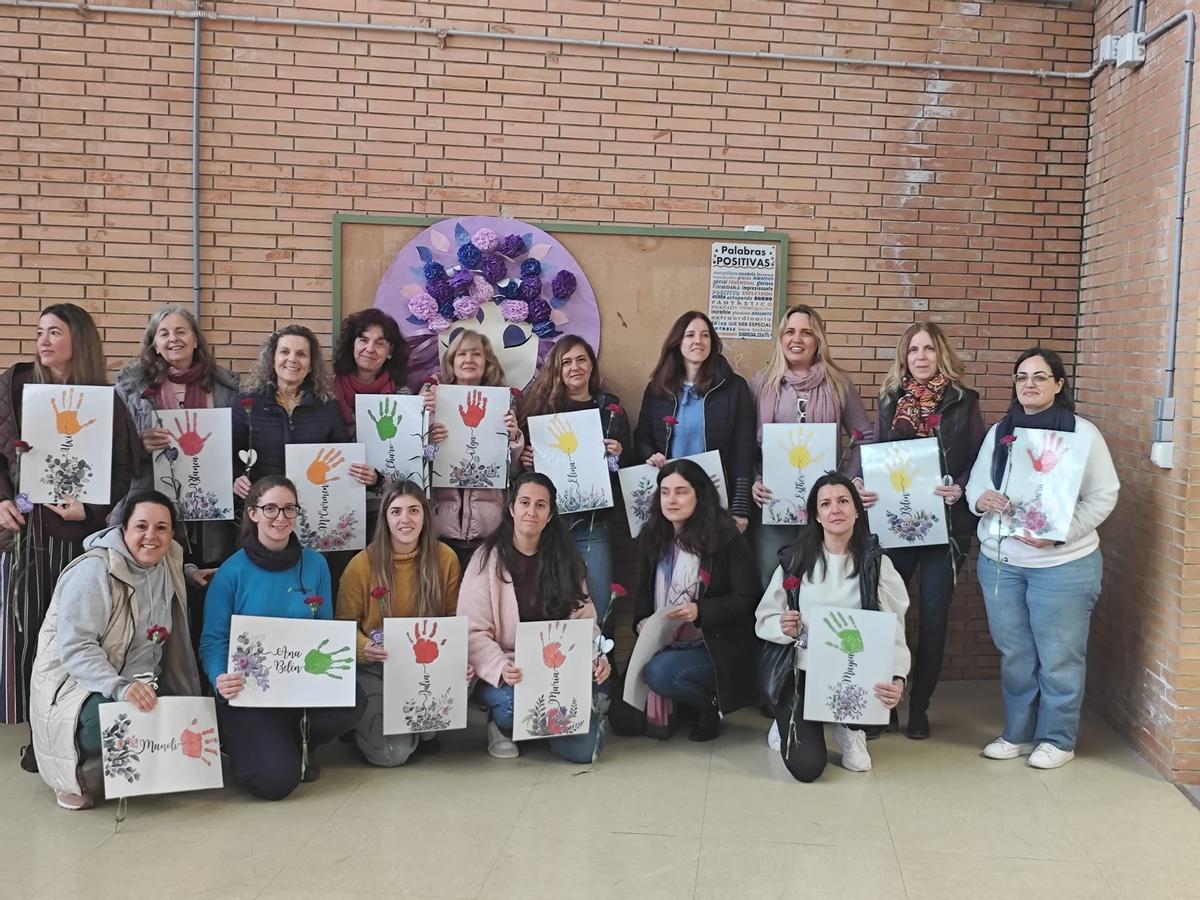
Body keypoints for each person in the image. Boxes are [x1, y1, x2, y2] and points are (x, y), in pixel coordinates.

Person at [966, 348, 1118, 770]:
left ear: (1058, 383)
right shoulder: (1001, 431)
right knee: (1016, 655)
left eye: (1039, 376)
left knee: (1059, 657)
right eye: (1021, 377)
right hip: (1002, 563)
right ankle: (1017, 733)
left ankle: (1057, 738)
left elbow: (1104, 494)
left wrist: (1061, 534)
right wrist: (982, 499)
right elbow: (975, 485)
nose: (1028, 384)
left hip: (1062, 567)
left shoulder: (1082, 434)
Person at [0, 304, 140, 762]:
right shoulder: (15, 386)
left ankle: (65, 727)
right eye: (40, 331)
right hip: (26, 528)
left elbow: (123, 468)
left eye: (55, 332)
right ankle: (36, 731)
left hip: (78, 537)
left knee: (71, 634)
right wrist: (3, 500)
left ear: (78, 339)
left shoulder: (104, 399)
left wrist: (92, 509)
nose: (43, 340)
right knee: (24, 633)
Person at [28, 490, 201, 809]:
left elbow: (175, 565)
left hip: (143, 678)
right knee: (107, 723)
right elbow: (77, 648)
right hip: (82, 685)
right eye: (141, 526)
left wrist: (191, 575)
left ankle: (125, 761)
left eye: (161, 528)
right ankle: (79, 768)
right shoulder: (93, 572)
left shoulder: (168, 558)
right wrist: (121, 688)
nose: (151, 536)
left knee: (188, 717)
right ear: (123, 529)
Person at [200, 475, 366, 800]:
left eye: (289, 509)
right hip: (249, 693)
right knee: (274, 784)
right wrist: (220, 678)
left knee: (352, 698)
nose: (280, 517)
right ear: (253, 513)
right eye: (270, 508)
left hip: (298, 686)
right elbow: (213, 640)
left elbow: (325, 629)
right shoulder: (231, 573)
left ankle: (299, 741)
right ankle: (243, 742)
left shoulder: (315, 565)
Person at [857, 321, 984, 740]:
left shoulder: (964, 401)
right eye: (913, 350)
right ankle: (885, 704)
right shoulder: (889, 400)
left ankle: (919, 707)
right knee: (887, 616)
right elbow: (874, 451)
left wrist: (960, 486)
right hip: (895, 527)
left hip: (945, 531)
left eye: (928, 348)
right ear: (904, 356)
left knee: (933, 618)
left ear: (940, 353)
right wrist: (862, 484)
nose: (921, 356)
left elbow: (979, 458)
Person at [755, 473, 910, 782]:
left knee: (861, 753)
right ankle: (786, 719)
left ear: (857, 511)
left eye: (843, 501)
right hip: (801, 672)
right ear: (816, 515)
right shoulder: (795, 561)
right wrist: (783, 627)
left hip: (854, 673)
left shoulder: (877, 565)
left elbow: (893, 629)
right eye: (825, 504)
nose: (835, 509)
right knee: (807, 768)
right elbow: (765, 617)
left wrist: (898, 678)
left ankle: (848, 728)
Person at [114, 303, 242, 652]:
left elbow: (241, 444)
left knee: (207, 599)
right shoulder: (130, 387)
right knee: (160, 595)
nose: (173, 339)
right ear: (154, 344)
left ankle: (205, 671)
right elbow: (112, 448)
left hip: (211, 516)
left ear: (196, 339)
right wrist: (140, 445)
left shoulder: (226, 388)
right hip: (152, 502)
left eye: (181, 331)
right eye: (164, 333)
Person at [457, 472, 609, 763]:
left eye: (541, 505)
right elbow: (472, 631)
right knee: (514, 705)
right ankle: (501, 725)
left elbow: (584, 621)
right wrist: (500, 667)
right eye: (524, 502)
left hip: (554, 671)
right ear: (511, 508)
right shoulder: (486, 560)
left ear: (550, 515)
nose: (531, 511)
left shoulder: (565, 560)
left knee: (584, 751)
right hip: (509, 671)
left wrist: (596, 655)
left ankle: (538, 729)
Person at [628, 459, 761, 741]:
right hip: (661, 640)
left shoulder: (725, 537)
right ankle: (684, 699)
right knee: (623, 719)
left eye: (681, 492)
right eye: (665, 492)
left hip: (714, 644)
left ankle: (709, 706)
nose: (671, 500)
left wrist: (701, 610)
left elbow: (748, 597)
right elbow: (642, 590)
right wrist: (641, 621)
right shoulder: (655, 534)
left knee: (659, 674)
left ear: (699, 495)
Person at [336, 480, 463, 767]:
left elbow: (455, 618)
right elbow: (343, 627)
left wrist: (457, 661)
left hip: (426, 666)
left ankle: (418, 729)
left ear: (425, 516)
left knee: (467, 675)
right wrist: (364, 647)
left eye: (413, 510)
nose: (405, 519)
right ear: (385, 518)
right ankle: (362, 726)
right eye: (396, 512)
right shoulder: (361, 565)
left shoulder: (446, 559)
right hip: (375, 667)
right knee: (392, 754)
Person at [749, 304, 874, 582]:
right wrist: (755, 478)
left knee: (819, 576)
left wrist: (850, 479)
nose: (797, 339)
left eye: (806, 332)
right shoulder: (761, 384)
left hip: (826, 504)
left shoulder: (838, 383)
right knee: (771, 575)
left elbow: (864, 436)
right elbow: (746, 442)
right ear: (781, 338)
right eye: (790, 332)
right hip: (773, 501)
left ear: (818, 340)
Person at [516, 336, 633, 626]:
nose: (574, 367)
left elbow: (628, 470)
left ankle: (600, 655)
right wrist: (526, 462)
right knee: (546, 604)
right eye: (566, 362)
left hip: (592, 524)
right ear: (557, 369)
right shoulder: (540, 410)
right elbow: (522, 475)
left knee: (599, 603)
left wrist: (618, 455)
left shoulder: (610, 411)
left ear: (592, 366)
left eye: (581, 360)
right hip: (547, 526)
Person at [634, 311, 755, 532]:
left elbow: (743, 451)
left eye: (705, 335)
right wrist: (650, 454)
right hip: (670, 499)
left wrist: (740, 509)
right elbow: (642, 436)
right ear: (677, 342)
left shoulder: (734, 388)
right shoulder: (658, 389)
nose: (698, 341)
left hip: (715, 497)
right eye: (690, 335)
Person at [232, 324, 373, 499]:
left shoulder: (328, 407)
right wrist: (235, 480)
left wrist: (371, 478)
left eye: (301, 354)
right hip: (262, 506)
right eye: (285, 352)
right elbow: (229, 456)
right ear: (272, 359)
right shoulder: (246, 404)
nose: (292, 359)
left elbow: (343, 461)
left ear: (311, 365)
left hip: (314, 505)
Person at [427, 329, 525, 570]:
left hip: (488, 529)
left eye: (476, 354)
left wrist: (513, 438)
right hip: (440, 527)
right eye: (461, 354)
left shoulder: (503, 404)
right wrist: (426, 433)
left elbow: (513, 472)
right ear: (451, 361)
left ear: (487, 362)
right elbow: (414, 466)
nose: (468, 359)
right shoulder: (432, 400)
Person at [331, 308, 412, 428]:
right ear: (352, 345)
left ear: (390, 351)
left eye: (379, 343)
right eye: (363, 340)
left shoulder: (402, 396)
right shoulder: (329, 391)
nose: (369, 349)